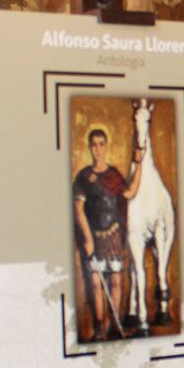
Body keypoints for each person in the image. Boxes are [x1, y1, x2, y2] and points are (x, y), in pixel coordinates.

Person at [72, 125, 143, 341]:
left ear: (106, 147)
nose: (97, 149)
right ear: (89, 148)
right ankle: (100, 329)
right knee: (95, 283)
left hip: (113, 236)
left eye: (101, 145)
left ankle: (114, 325)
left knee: (115, 281)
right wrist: (87, 239)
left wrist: (138, 164)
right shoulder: (84, 177)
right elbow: (78, 210)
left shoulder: (113, 175)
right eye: (93, 145)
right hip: (94, 238)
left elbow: (130, 192)